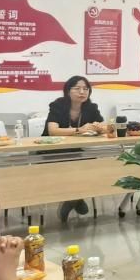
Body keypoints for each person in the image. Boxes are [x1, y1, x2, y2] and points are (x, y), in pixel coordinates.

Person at [45, 76, 105, 221]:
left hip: (77, 150)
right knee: (72, 165)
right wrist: (79, 130)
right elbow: (52, 130)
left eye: (85, 89)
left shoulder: (91, 107)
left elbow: (104, 126)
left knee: (92, 164)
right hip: (53, 149)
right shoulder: (58, 105)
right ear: (68, 90)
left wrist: (99, 127)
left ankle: (73, 199)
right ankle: (76, 198)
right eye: (77, 88)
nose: (82, 92)